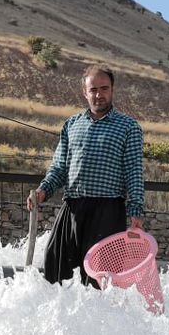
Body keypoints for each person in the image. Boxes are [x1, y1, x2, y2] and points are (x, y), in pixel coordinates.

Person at [28, 64, 145, 285]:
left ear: (112, 90)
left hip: (107, 211)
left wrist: (136, 211)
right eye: (94, 90)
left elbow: (134, 172)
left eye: (104, 88)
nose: (99, 95)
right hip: (72, 207)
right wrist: (44, 190)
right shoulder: (72, 125)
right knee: (54, 267)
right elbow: (59, 167)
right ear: (85, 92)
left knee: (98, 279)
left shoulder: (128, 128)